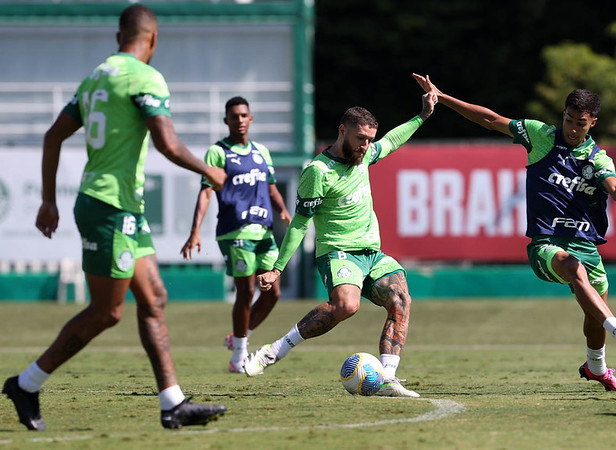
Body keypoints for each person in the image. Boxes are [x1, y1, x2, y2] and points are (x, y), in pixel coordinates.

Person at [2, 4, 228, 431]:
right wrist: (209, 170)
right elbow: (166, 142)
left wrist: (48, 200)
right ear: (153, 39)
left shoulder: (96, 76)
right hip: (109, 206)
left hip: (119, 207)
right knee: (107, 312)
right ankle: (27, 384)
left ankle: (172, 403)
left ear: (117, 36)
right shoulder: (145, 76)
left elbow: (53, 137)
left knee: (154, 298)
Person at [412, 74, 616, 392]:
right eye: (568, 120)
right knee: (574, 271)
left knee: (593, 311)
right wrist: (443, 96)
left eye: (581, 123)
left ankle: (596, 367)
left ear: (593, 123)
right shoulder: (541, 135)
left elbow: (611, 182)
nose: (573, 129)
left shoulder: (598, 157)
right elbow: (491, 119)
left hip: (586, 245)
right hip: (545, 245)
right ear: (563, 115)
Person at [241, 92, 438, 397]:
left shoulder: (367, 155)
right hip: (337, 252)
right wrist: (277, 269)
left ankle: (387, 378)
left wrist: (422, 115)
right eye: (360, 138)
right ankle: (275, 350)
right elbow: (300, 223)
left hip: (373, 253)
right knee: (347, 306)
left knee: (401, 300)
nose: (366, 145)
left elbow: (393, 140)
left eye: (370, 139)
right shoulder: (317, 172)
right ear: (342, 131)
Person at [181, 96, 291, 374]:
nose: (239, 120)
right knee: (246, 290)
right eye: (234, 116)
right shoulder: (218, 153)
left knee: (273, 291)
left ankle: (239, 336)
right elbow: (206, 192)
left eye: (244, 115)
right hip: (235, 232)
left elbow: (270, 187)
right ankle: (238, 356)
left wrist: (283, 211)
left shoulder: (261, 152)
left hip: (263, 230)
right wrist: (195, 231)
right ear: (226, 120)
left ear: (250, 119)